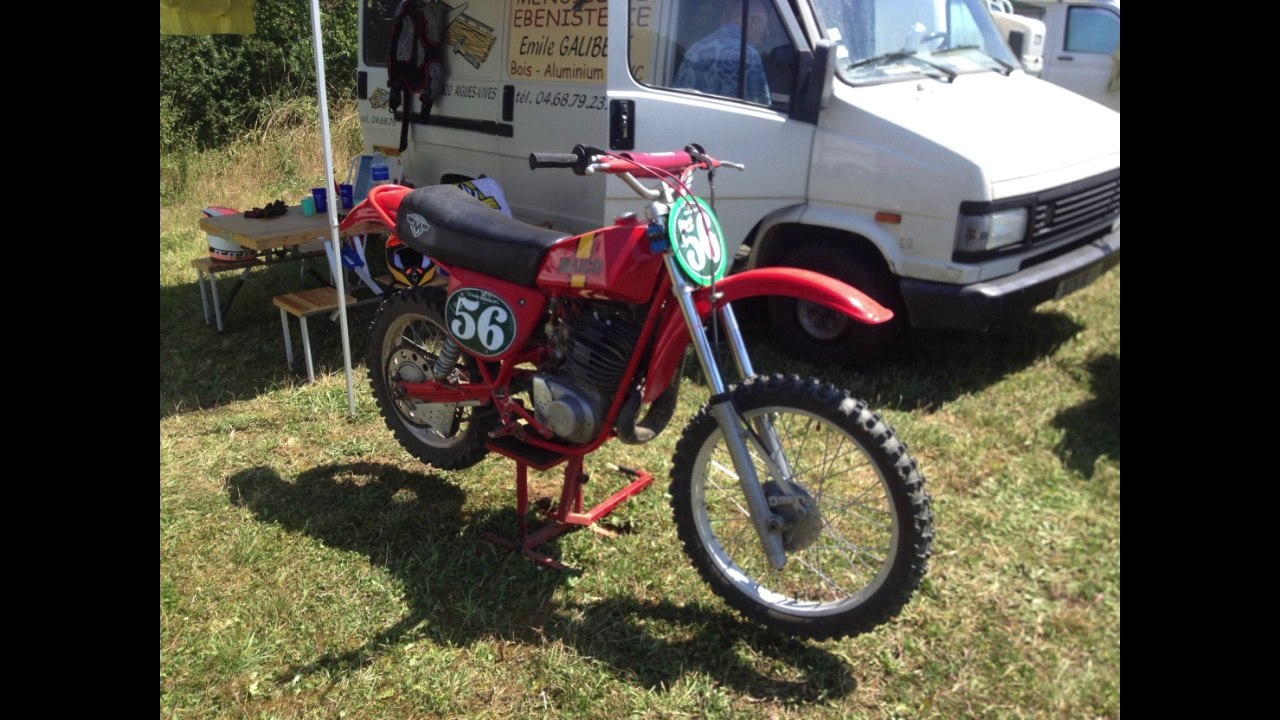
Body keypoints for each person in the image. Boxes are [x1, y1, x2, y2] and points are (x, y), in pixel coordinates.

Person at [674, 0, 772, 106]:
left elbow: (678, 95)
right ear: (755, 22)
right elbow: (761, 107)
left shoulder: (696, 48)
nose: (762, 39)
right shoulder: (749, 57)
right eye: (765, 30)